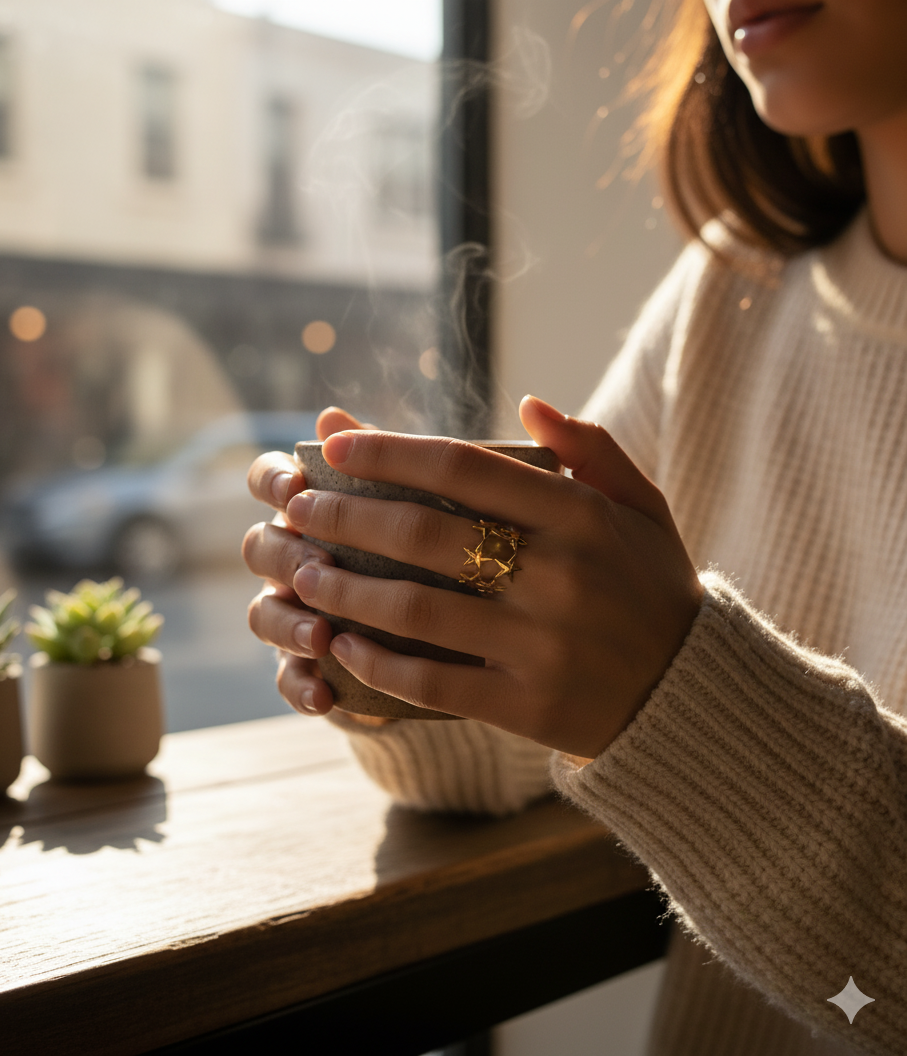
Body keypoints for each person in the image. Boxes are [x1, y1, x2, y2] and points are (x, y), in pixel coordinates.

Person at [242, 0, 907, 1052]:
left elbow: (654, 692)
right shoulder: (732, 295)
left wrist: (672, 686)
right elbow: (544, 732)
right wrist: (380, 651)